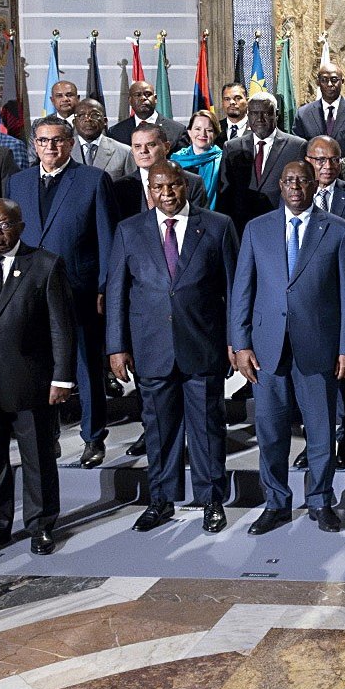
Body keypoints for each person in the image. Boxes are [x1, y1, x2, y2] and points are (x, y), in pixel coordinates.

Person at [230, 159, 345, 534]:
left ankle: (321, 501)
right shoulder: (257, 230)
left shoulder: (338, 231)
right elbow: (242, 290)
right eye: (289, 181)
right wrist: (239, 343)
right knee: (270, 432)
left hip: (318, 348)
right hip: (267, 348)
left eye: (303, 181)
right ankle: (276, 503)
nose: (295, 187)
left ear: (313, 185)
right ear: (281, 185)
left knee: (321, 431)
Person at [107, 161, 239, 535]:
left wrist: (236, 341)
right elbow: (116, 293)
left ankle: (212, 500)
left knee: (208, 429)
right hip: (152, 349)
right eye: (159, 187)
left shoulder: (218, 226)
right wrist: (117, 347)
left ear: (185, 185)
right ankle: (160, 501)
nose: (167, 194)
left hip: (203, 346)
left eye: (174, 186)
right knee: (159, 431)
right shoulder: (129, 231)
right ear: (150, 190)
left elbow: (235, 291)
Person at [9, 117, 115, 468]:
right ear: (34, 145)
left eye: (57, 141)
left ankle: (93, 437)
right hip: (30, 292)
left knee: (86, 365)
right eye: (43, 141)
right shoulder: (16, 183)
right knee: (38, 367)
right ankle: (47, 438)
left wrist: (103, 287)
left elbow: (106, 240)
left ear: (70, 143)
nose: (50, 148)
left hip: (79, 290)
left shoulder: (93, 180)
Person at [0, 198, 75, 555]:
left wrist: (63, 378)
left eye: (3, 225)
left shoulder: (45, 265)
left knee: (37, 458)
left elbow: (62, 329)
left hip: (30, 382)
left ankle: (40, 526)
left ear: (20, 227)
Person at [304, 135, 345, 468]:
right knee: (312, 379)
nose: (327, 167)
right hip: (307, 308)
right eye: (319, 160)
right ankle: (317, 442)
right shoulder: (293, 198)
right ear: (307, 160)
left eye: (333, 160)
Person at [221, 95, 305, 228]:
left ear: (276, 114)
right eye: (254, 113)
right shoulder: (231, 147)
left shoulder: (296, 146)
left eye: (266, 113)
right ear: (248, 116)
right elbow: (225, 193)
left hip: (280, 224)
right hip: (241, 226)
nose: (259, 119)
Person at [113, 121, 207, 219]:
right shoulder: (120, 187)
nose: (143, 151)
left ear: (166, 147)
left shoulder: (193, 182)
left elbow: (199, 223)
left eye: (150, 145)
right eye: (137, 146)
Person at [295, 62, 345, 145]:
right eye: (324, 80)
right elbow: (298, 148)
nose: (329, 84)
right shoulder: (303, 113)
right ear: (318, 82)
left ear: (342, 81)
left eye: (334, 80)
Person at [170, 109, 224, 209]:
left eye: (209, 130)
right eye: (197, 129)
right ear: (189, 132)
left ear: (215, 134)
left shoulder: (223, 160)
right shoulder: (176, 160)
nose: (202, 134)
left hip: (213, 215)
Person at [109, 80, 186, 149]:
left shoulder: (177, 130)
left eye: (147, 94)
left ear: (155, 99)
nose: (143, 98)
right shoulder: (115, 132)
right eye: (137, 95)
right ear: (130, 100)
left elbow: (182, 162)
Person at [69, 98, 131, 179]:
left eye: (94, 115)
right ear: (74, 122)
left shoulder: (124, 152)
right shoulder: (62, 150)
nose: (88, 119)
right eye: (81, 115)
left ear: (105, 121)